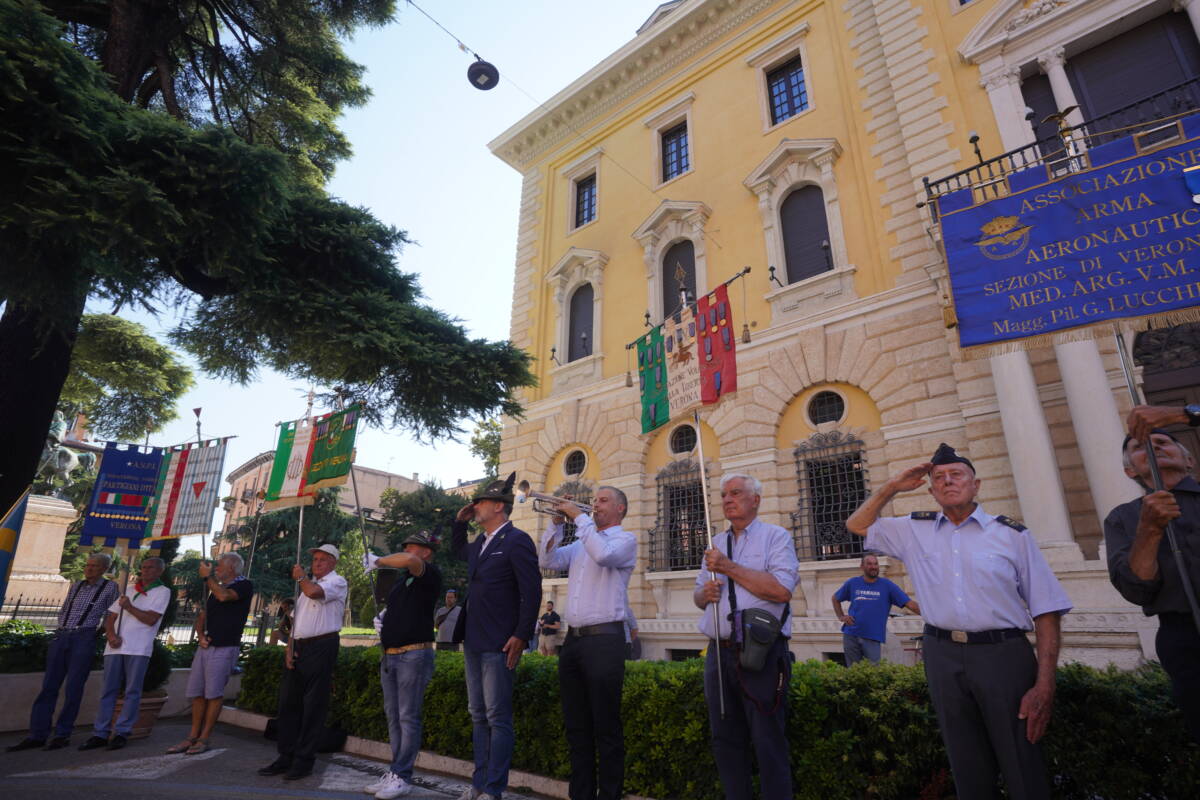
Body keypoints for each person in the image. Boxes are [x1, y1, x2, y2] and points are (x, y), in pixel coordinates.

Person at [846, 443, 1072, 800]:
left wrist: (1045, 684)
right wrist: (892, 486)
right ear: (932, 490)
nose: (948, 482)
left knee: (1021, 758)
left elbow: (1046, 609)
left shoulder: (1011, 535)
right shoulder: (913, 530)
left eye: (957, 475)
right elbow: (856, 524)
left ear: (976, 485)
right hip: (942, 653)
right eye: (939, 478)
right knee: (966, 763)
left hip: (1003, 655)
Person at [693, 473, 799, 800]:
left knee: (768, 741)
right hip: (719, 652)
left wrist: (728, 568)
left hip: (761, 653)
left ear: (755, 499)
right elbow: (699, 596)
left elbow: (781, 590)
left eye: (735, 493)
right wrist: (704, 593)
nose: (727, 499)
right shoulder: (715, 545)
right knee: (725, 740)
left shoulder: (775, 537)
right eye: (724, 494)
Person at [1104, 403, 1200, 742]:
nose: (1154, 444)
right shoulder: (1123, 518)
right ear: (1131, 471)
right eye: (1139, 446)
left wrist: (1186, 414)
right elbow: (1136, 589)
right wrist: (1149, 529)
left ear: (1188, 459)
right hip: (1184, 639)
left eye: (1164, 441)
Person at [541, 487, 637, 800]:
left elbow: (604, 555)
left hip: (605, 640)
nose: (595, 504)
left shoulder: (625, 540)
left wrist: (579, 517)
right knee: (577, 727)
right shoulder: (583, 541)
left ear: (621, 509)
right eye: (594, 500)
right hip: (574, 642)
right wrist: (555, 524)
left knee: (606, 727)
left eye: (603, 500)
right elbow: (549, 559)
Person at [450, 472, 541, 800]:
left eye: (480, 502)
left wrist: (521, 634)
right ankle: (478, 784)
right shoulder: (481, 543)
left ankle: (494, 788)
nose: (475, 506)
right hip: (474, 640)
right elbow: (457, 550)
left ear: (499, 508)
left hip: (500, 642)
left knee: (497, 717)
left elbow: (532, 591)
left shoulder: (517, 540)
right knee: (478, 715)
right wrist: (459, 523)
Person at [7, 554, 119, 752]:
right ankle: (37, 734)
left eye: (94, 566)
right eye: (88, 565)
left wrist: (97, 633)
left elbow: (112, 614)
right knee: (49, 685)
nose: (89, 568)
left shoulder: (109, 588)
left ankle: (62, 734)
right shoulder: (76, 585)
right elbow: (65, 608)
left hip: (84, 636)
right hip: (62, 635)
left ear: (103, 569)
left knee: (73, 688)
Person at [362, 531, 442, 799]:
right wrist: (384, 621)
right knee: (394, 717)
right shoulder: (401, 583)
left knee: (408, 717)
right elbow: (397, 608)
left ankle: (403, 775)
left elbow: (408, 560)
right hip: (391, 654)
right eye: (406, 546)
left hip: (413, 654)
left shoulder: (427, 572)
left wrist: (379, 561)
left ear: (426, 552)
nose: (408, 550)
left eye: (413, 547)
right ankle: (396, 770)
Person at [258, 543, 348, 781]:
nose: (317, 563)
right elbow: (295, 623)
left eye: (322, 559)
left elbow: (314, 593)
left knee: (313, 707)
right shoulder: (305, 587)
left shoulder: (336, 582)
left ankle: (304, 760)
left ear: (333, 563)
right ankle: (285, 755)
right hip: (300, 647)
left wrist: (301, 579)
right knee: (289, 705)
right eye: (315, 559)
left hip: (322, 645)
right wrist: (289, 648)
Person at [78, 556, 170, 751]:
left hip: (138, 648)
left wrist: (129, 607)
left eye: (150, 568)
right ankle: (100, 733)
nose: (144, 571)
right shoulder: (129, 590)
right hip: (115, 647)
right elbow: (111, 617)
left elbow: (151, 619)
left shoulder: (162, 592)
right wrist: (111, 636)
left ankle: (122, 732)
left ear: (159, 571)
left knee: (132, 691)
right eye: (143, 567)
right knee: (108, 691)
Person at [167, 552, 254, 755]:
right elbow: (204, 614)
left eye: (219, 566)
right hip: (206, 646)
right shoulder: (215, 588)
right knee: (197, 693)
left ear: (232, 568)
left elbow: (224, 596)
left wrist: (207, 577)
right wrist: (200, 634)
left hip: (225, 647)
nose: (215, 569)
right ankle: (192, 737)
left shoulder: (243, 585)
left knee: (213, 694)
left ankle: (204, 739)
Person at [832, 553, 920, 665]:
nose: (873, 567)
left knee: (873, 672)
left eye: (875, 564)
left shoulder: (887, 586)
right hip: (851, 634)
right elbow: (835, 598)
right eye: (869, 564)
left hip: (872, 637)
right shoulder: (853, 583)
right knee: (853, 673)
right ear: (862, 566)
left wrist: (931, 616)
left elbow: (910, 604)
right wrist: (841, 616)